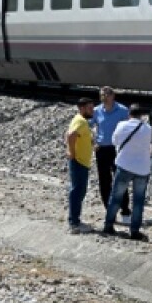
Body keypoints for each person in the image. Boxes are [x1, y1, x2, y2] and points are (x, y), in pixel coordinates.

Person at [102, 105, 152, 241]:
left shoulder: (122, 125)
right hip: (142, 168)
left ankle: (108, 226)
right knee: (138, 201)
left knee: (116, 197)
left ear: (129, 114)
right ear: (141, 115)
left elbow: (114, 141)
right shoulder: (148, 128)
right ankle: (134, 231)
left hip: (124, 165)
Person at [93, 86, 132, 223]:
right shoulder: (96, 111)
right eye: (102, 94)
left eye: (107, 94)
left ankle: (125, 211)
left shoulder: (122, 110)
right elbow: (89, 125)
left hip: (117, 149)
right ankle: (109, 210)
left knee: (120, 180)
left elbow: (129, 128)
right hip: (102, 149)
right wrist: (94, 141)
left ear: (113, 96)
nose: (104, 97)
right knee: (104, 181)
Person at [66, 97, 95, 234]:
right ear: (82, 108)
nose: (92, 110)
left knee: (78, 191)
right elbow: (71, 135)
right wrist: (71, 152)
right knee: (78, 191)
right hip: (79, 161)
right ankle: (74, 223)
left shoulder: (79, 120)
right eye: (90, 108)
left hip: (81, 161)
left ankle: (75, 220)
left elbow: (71, 135)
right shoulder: (81, 121)